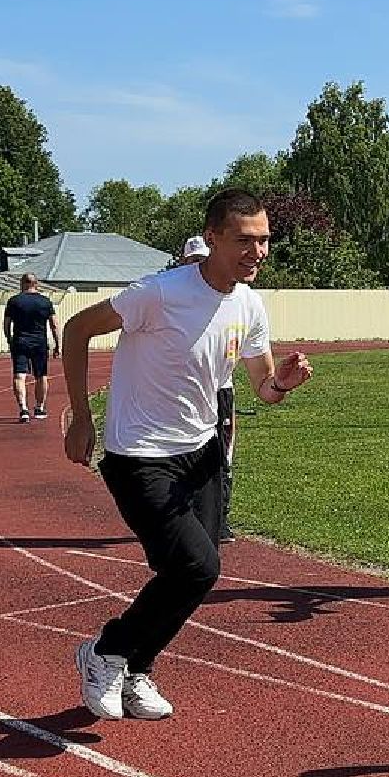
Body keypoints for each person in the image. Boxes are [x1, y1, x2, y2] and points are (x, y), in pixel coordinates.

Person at [63, 189, 312, 720]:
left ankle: (135, 668)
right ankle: (105, 651)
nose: (258, 251)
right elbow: (77, 329)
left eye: (265, 240)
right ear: (214, 237)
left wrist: (282, 384)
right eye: (246, 240)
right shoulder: (158, 293)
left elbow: (261, 385)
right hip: (139, 454)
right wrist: (82, 415)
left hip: (200, 455)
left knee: (188, 573)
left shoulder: (248, 303)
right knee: (197, 567)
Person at [181, 233, 237, 545]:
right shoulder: (172, 296)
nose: (201, 266)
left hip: (220, 390)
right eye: (194, 261)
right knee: (185, 451)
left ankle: (219, 518)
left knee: (221, 455)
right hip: (185, 389)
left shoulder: (231, 299)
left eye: (204, 259)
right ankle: (185, 512)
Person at [2, 273, 60, 423]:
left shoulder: (14, 301)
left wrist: (9, 339)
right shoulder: (45, 302)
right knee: (41, 376)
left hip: (20, 341)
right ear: (36, 284)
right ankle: (40, 408)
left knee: (19, 375)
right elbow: (54, 324)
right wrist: (57, 344)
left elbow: (7, 323)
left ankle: (23, 409)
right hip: (39, 342)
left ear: (22, 283)